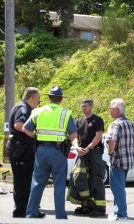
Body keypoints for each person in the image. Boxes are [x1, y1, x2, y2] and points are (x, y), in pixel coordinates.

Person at [22, 86, 82, 219]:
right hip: (58, 152)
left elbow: (25, 129)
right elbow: (73, 134)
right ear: (61, 99)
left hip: (41, 151)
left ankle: (31, 213)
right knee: (59, 184)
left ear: (49, 98)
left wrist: (36, 137)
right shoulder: (65, 113)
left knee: (37, 182)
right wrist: (76, 147)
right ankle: (60, 215)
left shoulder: (37, 111)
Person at [6, 87, 40, 218]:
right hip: (21, 148)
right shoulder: (24, 108)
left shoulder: (20, 106)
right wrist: (32, 134)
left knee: (23, 180)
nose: (38, 100)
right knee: (22, 180)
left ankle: (24, 208)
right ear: (31, 97)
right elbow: (18, 125)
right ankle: (21, 210)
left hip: (19, 147)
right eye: (37, 98)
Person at [69, 99, 106, 217]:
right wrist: (77, 148)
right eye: (81, 106)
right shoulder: (79, 121)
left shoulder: (97, 120)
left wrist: (88, 148)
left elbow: (98, 136)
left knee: (96, 179)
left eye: (85, 106)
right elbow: (74, 136)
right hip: (81, 153)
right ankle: (86, 206)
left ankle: (100, 209)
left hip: (94, 152)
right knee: (80, 178)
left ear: (91, 107)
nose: (82, 108)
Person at [107, 98, 134, 221]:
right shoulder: (130, 123)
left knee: (117, 188)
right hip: (127, 161)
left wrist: (110, 152)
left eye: (111, 108)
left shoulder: (115, 124)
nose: (109, 110)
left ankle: (121, 214)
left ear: (117, 110)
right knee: (120, 187)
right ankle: (117, 212)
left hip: (117, 161)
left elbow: (112, 140)